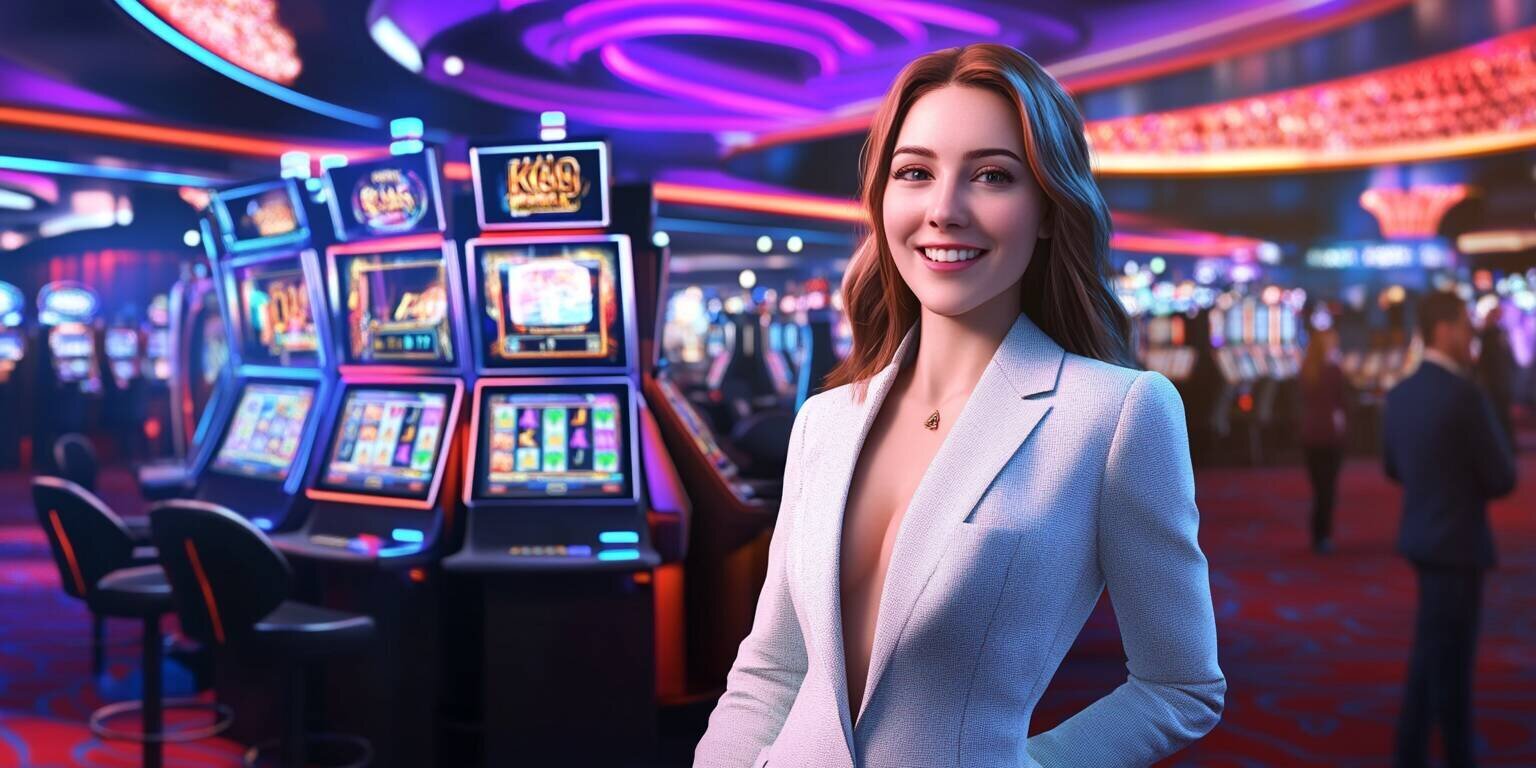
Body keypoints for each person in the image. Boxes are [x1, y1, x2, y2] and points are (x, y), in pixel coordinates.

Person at [694, 44, 1224, 768]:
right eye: (915, 173)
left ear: (1046, 208)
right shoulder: (826, 420)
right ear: (883, 198)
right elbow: (771, 672)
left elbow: (1180, 686)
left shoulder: (1115, 414)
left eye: (992, 176)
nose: (944, 210)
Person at [1384, 291, 1517, 768]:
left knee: (1430, 650)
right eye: (1464, 325)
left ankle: (1411, 749)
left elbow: (1393, 467)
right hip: (1459, 540)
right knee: (1453, 666)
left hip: (1421, 535)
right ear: (1443, 329)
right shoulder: (1464, 396)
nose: (1470, 337)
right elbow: (1502, 477)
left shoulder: (1399, 393)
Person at [1299, 328, 1349, 554]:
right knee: (1328, 489)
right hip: (1330, 432)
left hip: (1309, 433)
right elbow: (1344, 400)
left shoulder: (1306, 369)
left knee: (1319, 488)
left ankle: (1317, 533)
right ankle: (1324, 535)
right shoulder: (1333, 370)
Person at [1474, 304, 1516, 452]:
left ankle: (1506, 445)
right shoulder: (1490, 334)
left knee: (1500, 415)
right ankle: (1506, 445)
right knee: (1499, 415)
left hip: (1497, 380)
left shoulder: (1495, 333)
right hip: (1495, 380)